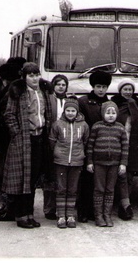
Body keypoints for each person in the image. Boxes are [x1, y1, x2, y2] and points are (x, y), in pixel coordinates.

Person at [2, 62, 53, 229]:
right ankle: (20, 215)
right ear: (24, 77)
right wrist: (17, 133)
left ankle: (29, 213)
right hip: (24, 139)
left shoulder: (43, 92)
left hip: (39, 138)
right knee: (22, 178)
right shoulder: (18, 92)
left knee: (33, 179)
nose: (34, 78)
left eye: (37, 74)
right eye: (30, 75)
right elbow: (9, 115)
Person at [0, 61, 23, 222]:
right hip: (2, 135)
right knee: (4, 170)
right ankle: (3, 203)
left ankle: (11, 204)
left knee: (13, 171)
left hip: (12, 134)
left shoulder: (14, 86)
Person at [49, 97, 90, 228]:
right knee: (61, 188)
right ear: (64, 111)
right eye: (68, 110)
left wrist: (80, 154)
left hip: (77, 161)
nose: (70, 113)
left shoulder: (83, 125)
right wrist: (57, 153)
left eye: (73, 110)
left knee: (72, 189)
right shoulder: (57, 124)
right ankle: (61, 215)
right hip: (61, 161)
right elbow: (52, 141)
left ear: (77, 112)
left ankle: (70, 215)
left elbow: (85, 141)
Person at [86, 101, 129, 227]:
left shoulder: (120, 128)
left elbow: (125, 147)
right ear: (103, 113)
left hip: (114, 164)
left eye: (113, 113)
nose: (111, 115)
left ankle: (107, 215)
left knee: (110, 189)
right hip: (99, 163)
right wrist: (89, 162)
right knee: (99, 189)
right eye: (108, 112)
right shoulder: (96, 127)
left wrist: (123, 164)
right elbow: (90, 145)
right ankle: (98, 216)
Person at [77, 70, 112, 223]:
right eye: (98, 86)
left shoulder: (109, 103)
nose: (101, 90)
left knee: (100, 182)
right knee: (85, 180)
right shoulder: (83, 102)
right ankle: (83, 211)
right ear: (93, 86)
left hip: (103, 147)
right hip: (88, 144)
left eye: (104, 86)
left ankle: (96, 211)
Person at [111, 78, 138, 220]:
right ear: (120, 91)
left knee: (128, 175)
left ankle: (125, 204)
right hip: (116, 144)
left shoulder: (136, 104)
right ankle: (119, 202)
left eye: (130, 89)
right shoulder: (114, 104)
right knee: (117, 174)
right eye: (125, 89)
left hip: (133, 145)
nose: (128, 92)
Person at [41, 74, 70, 221]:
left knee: (63, 177)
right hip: (50, 141)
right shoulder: (48, 99)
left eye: (63, 84)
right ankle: (49, 208)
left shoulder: (70, 100)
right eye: (58, 84)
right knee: (50, 177)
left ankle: (63, 209)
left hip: (66, 142)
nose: (60, 87)